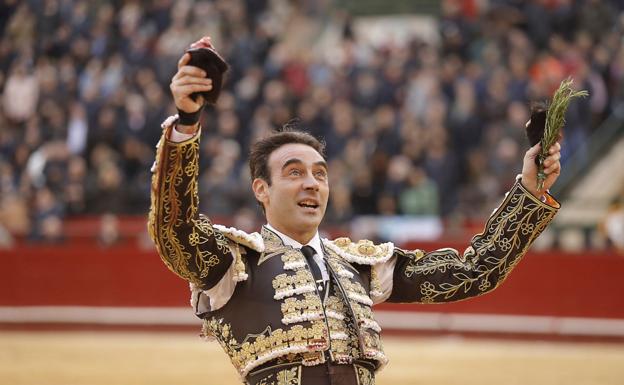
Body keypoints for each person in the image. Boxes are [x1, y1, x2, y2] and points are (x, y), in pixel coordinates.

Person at [148, 38, 562, 385]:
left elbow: (474, 273)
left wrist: (529, 190)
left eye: (320, 174)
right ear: (262, 189)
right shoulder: (235, 263)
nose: (312, 183)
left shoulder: (359, 266)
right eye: (294, 173)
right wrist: (187, 122)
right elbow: (174, 229)